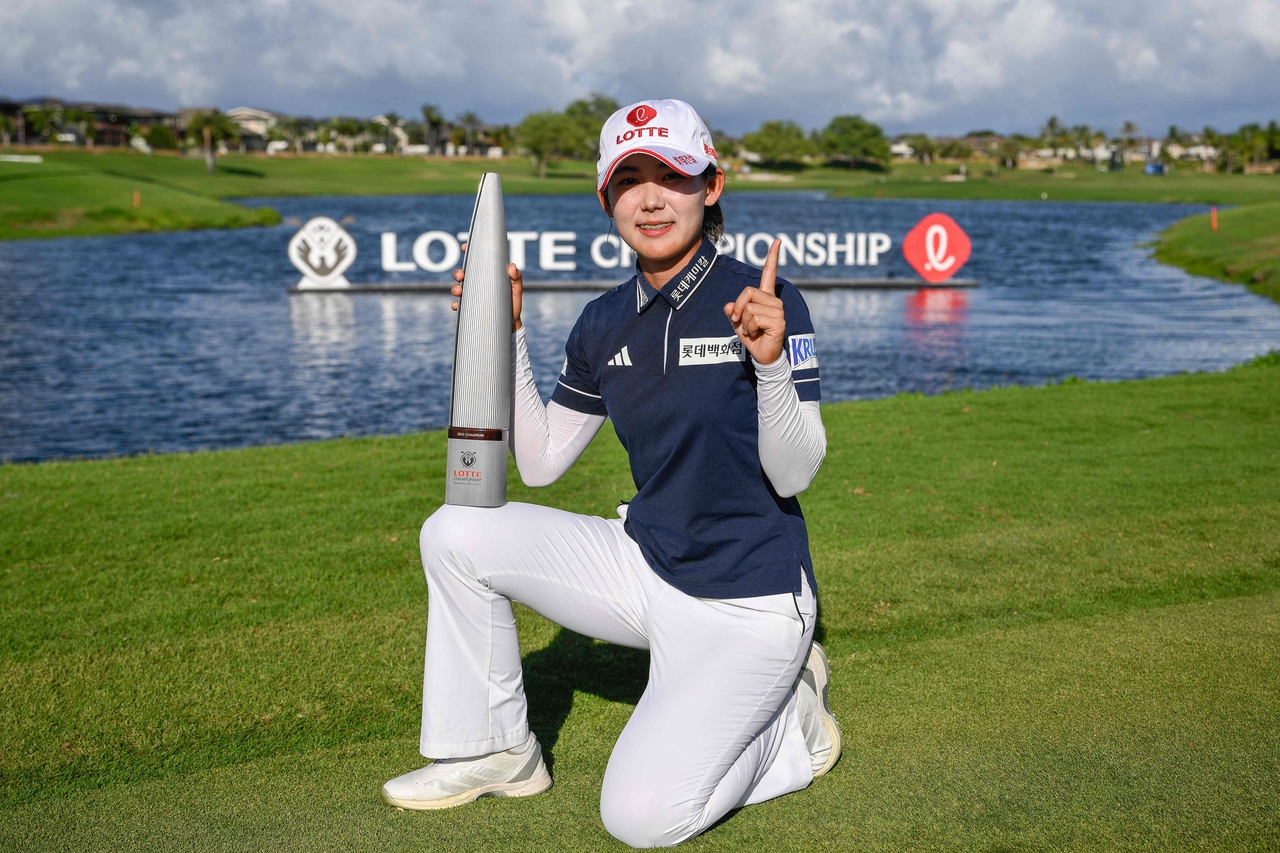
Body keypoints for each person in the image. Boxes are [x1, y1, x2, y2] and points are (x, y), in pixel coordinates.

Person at [381, 99, 840, 848]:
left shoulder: (765, 301)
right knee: (456, 530)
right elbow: (541, 461)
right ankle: (495, 749)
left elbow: (794, 474)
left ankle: (792, 725)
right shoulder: (602, 320)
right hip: (644, 566)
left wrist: (769, 367)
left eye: (673, 175)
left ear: (711, 185)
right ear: (605, 197)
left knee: (639, 817)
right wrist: (509, 329)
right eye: (630, 180)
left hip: (749, 603)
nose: (651, 198)